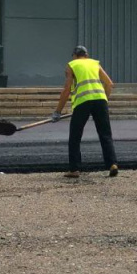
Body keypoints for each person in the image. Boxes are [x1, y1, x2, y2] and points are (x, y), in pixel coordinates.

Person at [52, 45, 118, 178]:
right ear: (86, 55)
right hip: (100, 100)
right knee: (105, 134)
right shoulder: (95, 64)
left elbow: (66, 90)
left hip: (82, 102)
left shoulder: (72, 65)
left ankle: (74, 169)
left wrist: (58, 111)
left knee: (75, 136)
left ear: (75, 56)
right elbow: (109, 84)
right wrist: (104, 100)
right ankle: (112, 164)